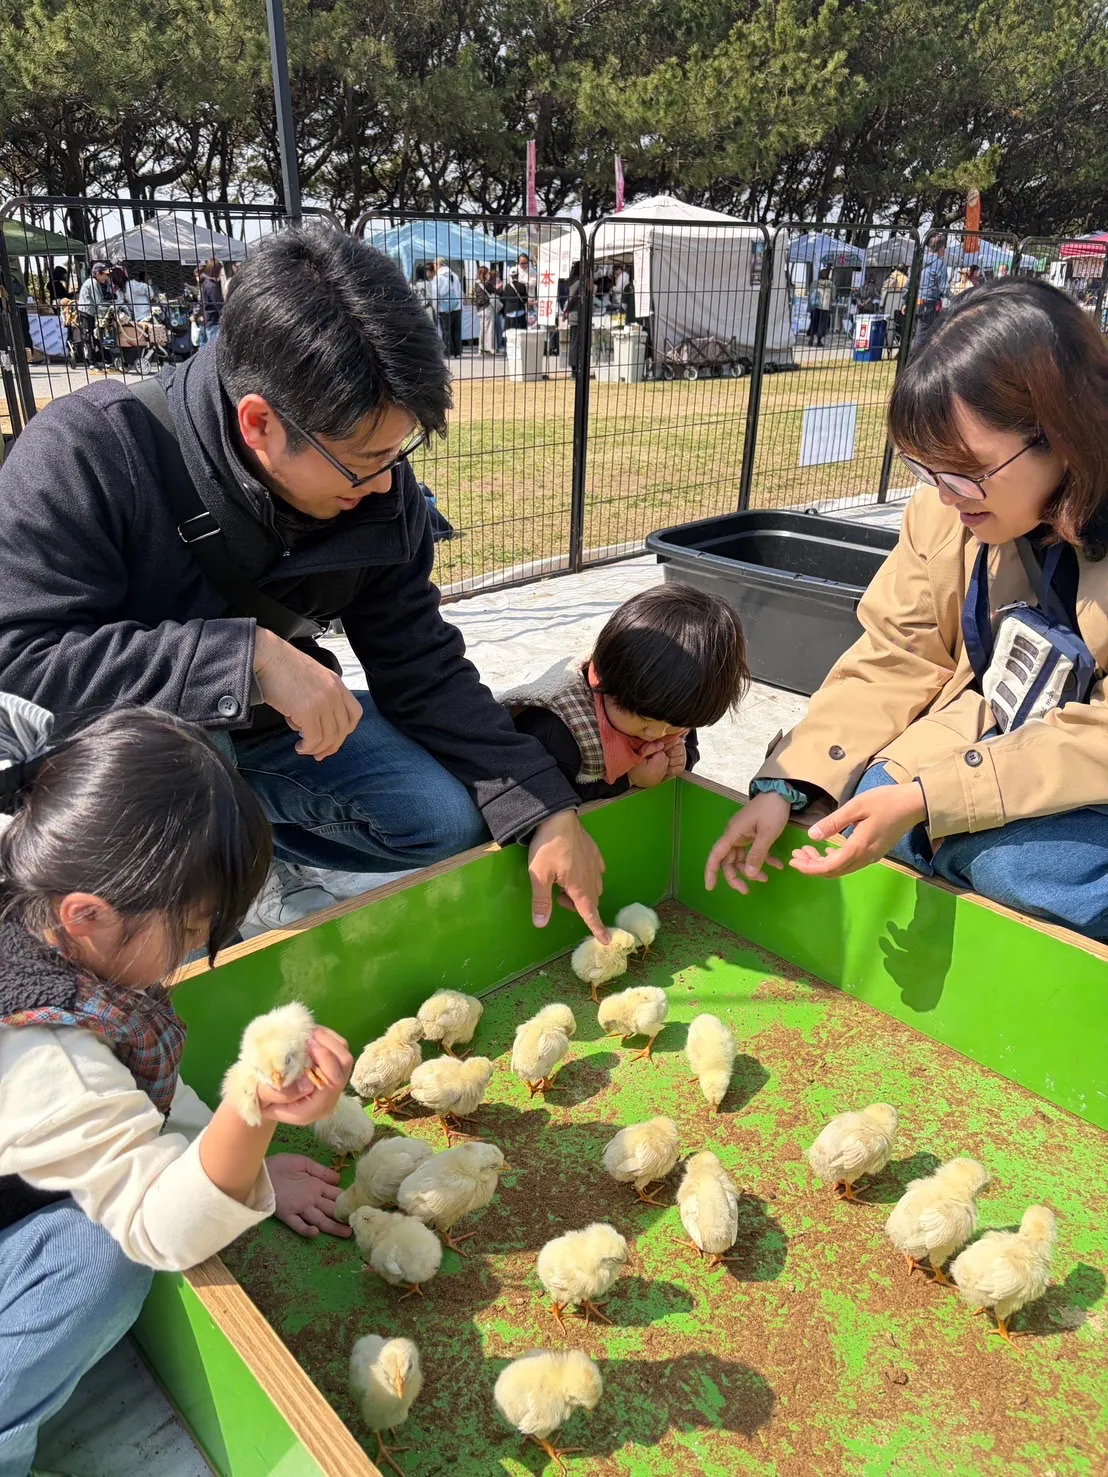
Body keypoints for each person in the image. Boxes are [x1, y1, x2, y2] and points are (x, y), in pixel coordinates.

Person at [0, 227, 607, 940]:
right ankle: (206, 885)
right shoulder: (90, 449)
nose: (386, 484)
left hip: (271, 734)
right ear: (259, 422)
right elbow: (20, 656)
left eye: (396, 453)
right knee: (173, 882)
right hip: (124, 756)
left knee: (447, 818)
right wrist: (248, 657)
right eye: (364, 460)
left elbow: (418, 657)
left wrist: (542, 804)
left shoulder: (375, 486)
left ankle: (261, 853)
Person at [0, 700, 356, 1475]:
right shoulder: (45, 1049)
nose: (194, 951)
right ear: (86, 914)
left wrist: (243, 1166)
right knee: (102, 1256)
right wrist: (252, 1112)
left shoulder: (32, 872)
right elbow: (160, 1227)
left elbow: (142, 1091)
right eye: (192, 930)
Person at [705, 279, 1108, 942]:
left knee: (1012, 868)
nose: (947, 496)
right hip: (1007, 733)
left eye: (967, 470)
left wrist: (933, 798)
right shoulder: (948, 511)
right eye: (927, 469)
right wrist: (792, 783)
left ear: (1061, 432)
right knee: (867, 800)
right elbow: (898, 650)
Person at [505, 585, 749, 802]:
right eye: (643, 719)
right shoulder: (559, 729)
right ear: (602, 680)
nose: (656, 734)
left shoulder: (674, 707)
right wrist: (628, 780)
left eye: (674, 726)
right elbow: (537, 798)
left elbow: (686, 741)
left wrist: (683, 759)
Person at [75, 261, 114, 366]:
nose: (106, 277)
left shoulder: (94, 282)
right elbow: (99, 301)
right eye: (105, 274)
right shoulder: (93, 283)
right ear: (97, 273)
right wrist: (111, 304)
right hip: (87, 312)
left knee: (95, 336)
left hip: (90, 312)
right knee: (89, 337)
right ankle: (92, 363)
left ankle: (105, 360)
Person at [916, 234, 949, 338]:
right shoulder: (939, 263)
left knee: (920, 329)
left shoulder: (921, 261)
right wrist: (953, 298)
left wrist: (904, 300)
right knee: (925, 332)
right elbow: (944, 287)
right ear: (942, 248)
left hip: (918, 299)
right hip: (930, 301)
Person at [431, 259, 463, 358]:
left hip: (444, 308)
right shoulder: (454, 275)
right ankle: (457, 351)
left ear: (438, 265)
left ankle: (448, 352)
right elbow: (460, 292)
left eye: (434, 264)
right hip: (456, 306)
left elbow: (435, 294)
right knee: (457, 330)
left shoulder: (438, 278)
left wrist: (435, 307)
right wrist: (461, 305)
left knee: (446, 331)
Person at [199, 258, 224, 348]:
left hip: (209, 320)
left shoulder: (206, 283)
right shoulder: (212, 286)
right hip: (214, 321)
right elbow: (219, 305)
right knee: (214, 347)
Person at [474, 266, 497, 356]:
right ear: (485, 274)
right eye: (488, 273)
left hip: (479, 309)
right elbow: (495, 291)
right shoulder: (487, 284)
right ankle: (489, 348)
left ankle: (481, 347)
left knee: (482, 329)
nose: (489, 275)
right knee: (489, 328)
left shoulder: (476, 283)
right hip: (487, 307)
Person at [412, 263, 437, 332]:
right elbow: (430, 297)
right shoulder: (427, 283)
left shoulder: (413, 285)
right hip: (427, 307)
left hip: (418, 309)